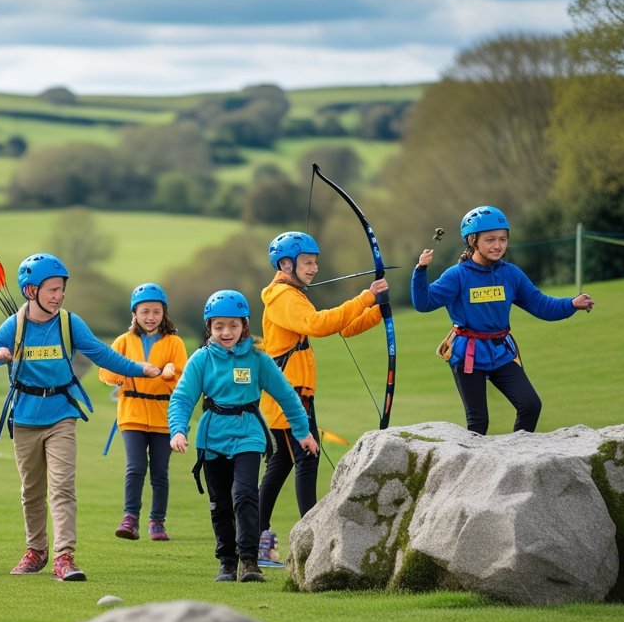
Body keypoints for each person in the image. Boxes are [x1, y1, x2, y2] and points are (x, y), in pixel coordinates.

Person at [0, 253, 162, 582]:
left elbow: (102, 354)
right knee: (31, 491)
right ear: (31, 291)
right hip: (26, 418)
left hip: (62, 415)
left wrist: (141, 370)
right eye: (52, 290)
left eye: (61, 289)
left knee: (61, 488)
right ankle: (36, 551)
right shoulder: (14, 324)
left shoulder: (69, 323)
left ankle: (64, 557)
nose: (59, 296)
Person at [168, 290, 319, 583]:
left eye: (234, 325)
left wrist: (303, 433)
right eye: (219, 326)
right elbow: (182, 398)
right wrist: (178, 430)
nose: (227, 332)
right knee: (221, 503)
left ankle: (249, 560)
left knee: (246, 494)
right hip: (211, 438)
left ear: (244, 325)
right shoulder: (201, 360)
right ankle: (227, 561)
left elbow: (288, 396)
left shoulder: (258, 360)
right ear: (209, 327)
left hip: (248, 434)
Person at [256, 231, 388, 565]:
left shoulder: (292, 294)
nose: (314, 268)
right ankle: (311, 542)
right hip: (289, 395)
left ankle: (256, 539)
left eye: (316, 262)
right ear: (287, 264)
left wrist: (377, 311)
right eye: (308, 262)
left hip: (293, 394)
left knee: (284, 463)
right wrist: (364, 298)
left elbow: (342, 328)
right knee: (306, 458)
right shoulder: (283, 297)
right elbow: (319, 324)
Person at [412, 206, 594, 435]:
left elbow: (541, 305)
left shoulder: (511, 274)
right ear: (472, 241)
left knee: (530, 405)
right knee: (478, 423)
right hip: (468, 355)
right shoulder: (456, 275)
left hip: (501, 352)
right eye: (490, 240)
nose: (498, 245)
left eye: (503, 239)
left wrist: (571, 304)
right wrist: (421, 270)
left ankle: (517, 456)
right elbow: (423, 303)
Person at [98, 283, 187, 542]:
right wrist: (130, 369)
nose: (151, 317)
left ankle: (157, 522)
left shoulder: (175, 343)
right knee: (135, 467)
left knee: (160, 472)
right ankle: (130, 518)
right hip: (132, 413)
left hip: (163, 414)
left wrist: (171, 373)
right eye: (145, 311)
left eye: (156, 312)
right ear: (134, 313)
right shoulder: (123, 342)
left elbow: (183, 378)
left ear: (164, 314)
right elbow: (106, 372)